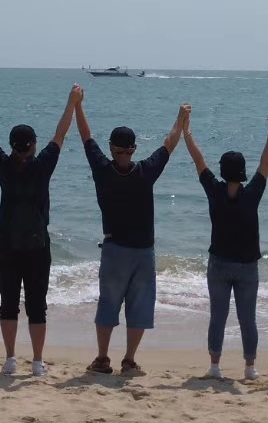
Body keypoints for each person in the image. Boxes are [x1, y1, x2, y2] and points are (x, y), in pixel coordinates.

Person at [0, 86, 78, 377]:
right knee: (37, 305)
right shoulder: (42, 166)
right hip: (38, 245)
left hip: (7, 243)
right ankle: (38, 362)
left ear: (13, 146)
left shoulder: (4, 165)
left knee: (8, 304)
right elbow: (61, 133)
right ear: (33, 145)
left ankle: (10, 359)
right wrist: (72, 102)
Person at [77, 98, 188, 375]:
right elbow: (169, 144)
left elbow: (86, 136)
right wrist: (180, 119)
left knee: (108, 304)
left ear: (111, 148)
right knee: (139, 307)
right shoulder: (145, 171)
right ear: (133, 148)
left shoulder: (103, 170)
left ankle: (102, 358)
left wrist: (77, 105)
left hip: (114, 249)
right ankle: (128, 360)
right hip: (143, 251)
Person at [183, 111, 268, 381]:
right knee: (248, 318)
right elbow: (266, 161)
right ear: (243, 172)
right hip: (247, 266)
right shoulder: (252, 194)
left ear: (223, 172)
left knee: (218, 316)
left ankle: (215, 366)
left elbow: (198, 160)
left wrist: (187, 132)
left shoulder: (214, 190)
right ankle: (250, 368)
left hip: (219, 264)